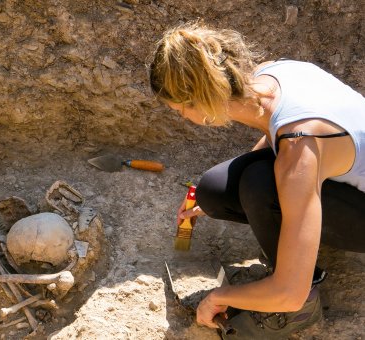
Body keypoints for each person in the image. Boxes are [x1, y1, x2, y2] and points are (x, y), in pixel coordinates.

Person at [150, 22, 365, 338]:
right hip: (336, 170)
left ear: (202, 98)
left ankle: (303, 309)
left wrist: (219, 297)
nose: (182, 117)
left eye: (180, 109)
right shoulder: (272, 75)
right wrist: (216, 200)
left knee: (258, 182)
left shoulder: (299, 146)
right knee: (214, 189)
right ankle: (291, 252)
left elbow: (290, 152)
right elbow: (275, 136)